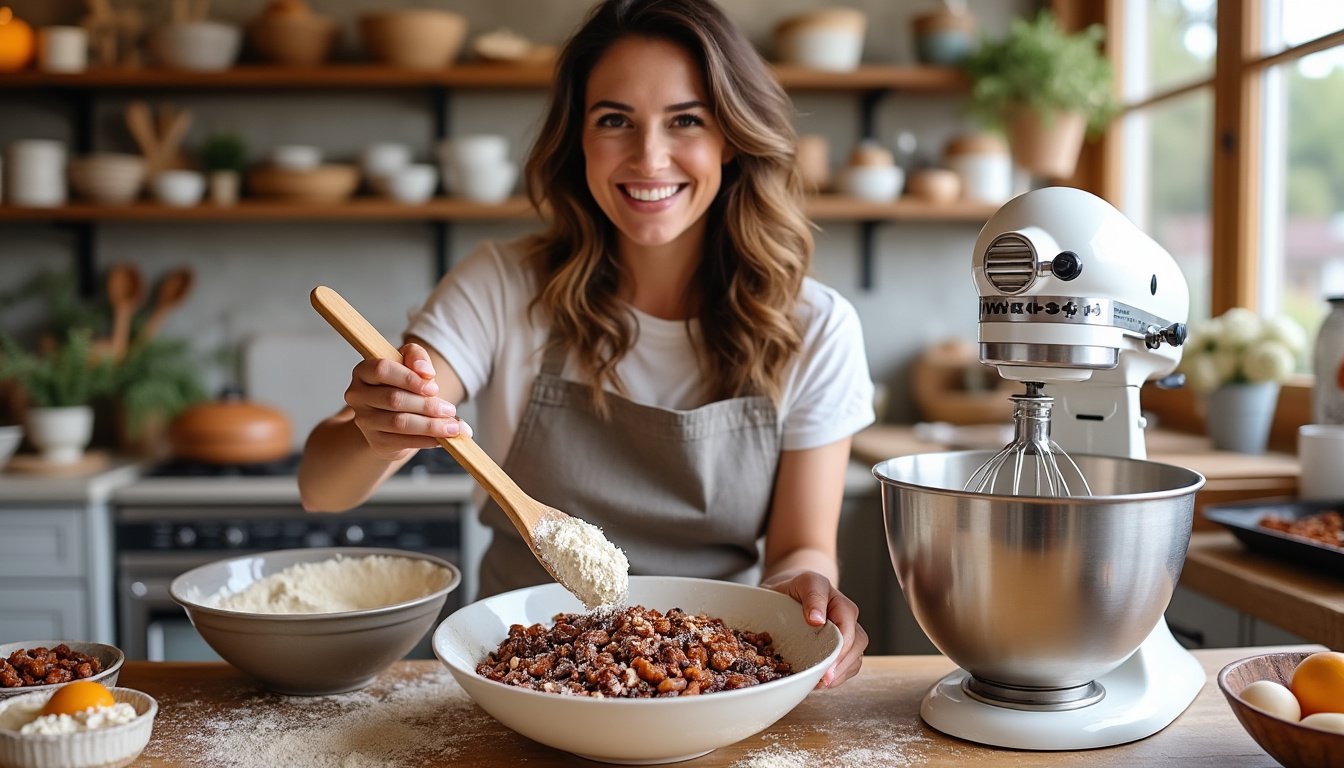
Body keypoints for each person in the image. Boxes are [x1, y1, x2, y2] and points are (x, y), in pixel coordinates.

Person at [299, 0, 874, 688]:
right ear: (578, 139)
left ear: (731, 137)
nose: (649, 157)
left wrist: (804, 595)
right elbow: (320, 488)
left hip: (715, 681)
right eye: (614, 120)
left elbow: (801, 548)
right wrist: (382, 434)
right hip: (519, 678)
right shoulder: (503, 288)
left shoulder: (814, 326)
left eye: (685, 119)